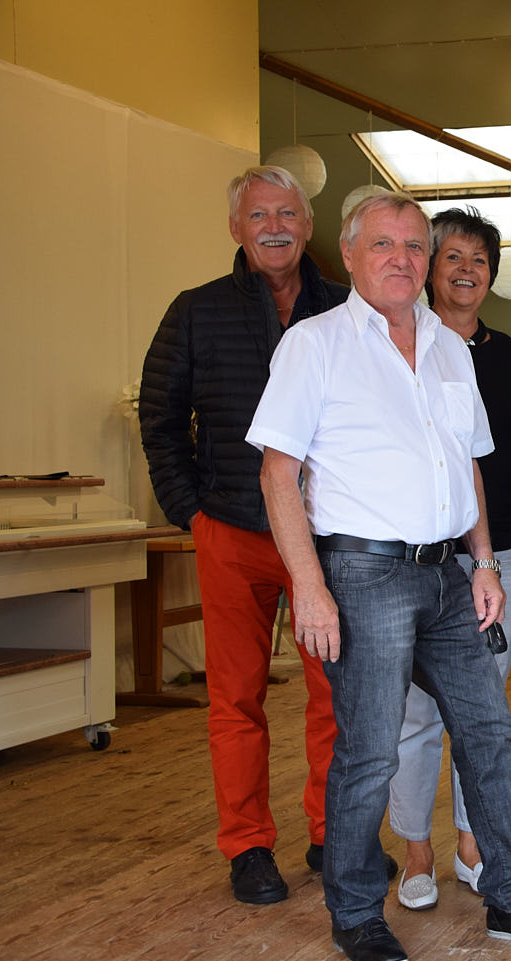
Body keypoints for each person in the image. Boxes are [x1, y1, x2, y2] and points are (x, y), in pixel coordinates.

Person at [249, 193, 511, 961]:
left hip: (449, 573)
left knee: (489, 734)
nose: (401, 258)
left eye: (413, 245)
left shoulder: (447, 347)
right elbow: (277, 473)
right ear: (350, 254)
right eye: (384, 244)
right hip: (361, 572)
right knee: (370, 748)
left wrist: (484, 562)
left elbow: (465, 463)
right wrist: (308, 585)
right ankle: (353, 911)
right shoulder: (315, 343)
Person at [138, 165, 366, 905]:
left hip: (325, 537)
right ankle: (247, 846)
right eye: (259, 215)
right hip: (232, 531)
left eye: (287, 214)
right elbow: (160, 419)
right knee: (236, 698)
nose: (274, 227)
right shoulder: (196, 310)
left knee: (336, 694)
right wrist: (192, 511)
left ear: (308, 225)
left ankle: (333, 834)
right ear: (236, 228)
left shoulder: (347, 307)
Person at [385, 207, 511, 911]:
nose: (467, 270)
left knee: (483, 710)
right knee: (417, 711)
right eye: (454, 257)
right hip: (422, 555)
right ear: (428, 267)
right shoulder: (402, 343)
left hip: (501, 551)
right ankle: (415, 849)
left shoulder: (507, 355)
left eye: (480, 259)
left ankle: (471, 844)